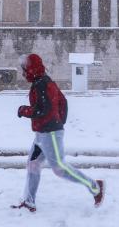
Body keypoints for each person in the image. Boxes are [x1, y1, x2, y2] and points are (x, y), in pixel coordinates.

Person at [11, 53, 104, 212]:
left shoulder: (42, 84)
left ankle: (95, 187)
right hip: (42, 133)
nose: (23, 73)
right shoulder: (42, 82)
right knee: (33, 164)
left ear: (32, 69)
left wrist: (24, 111)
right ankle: (29, 201)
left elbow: (43, 109)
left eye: (25, 70)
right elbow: (63, 101)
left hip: (50, 133)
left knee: (59, 168)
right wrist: (59, 120)